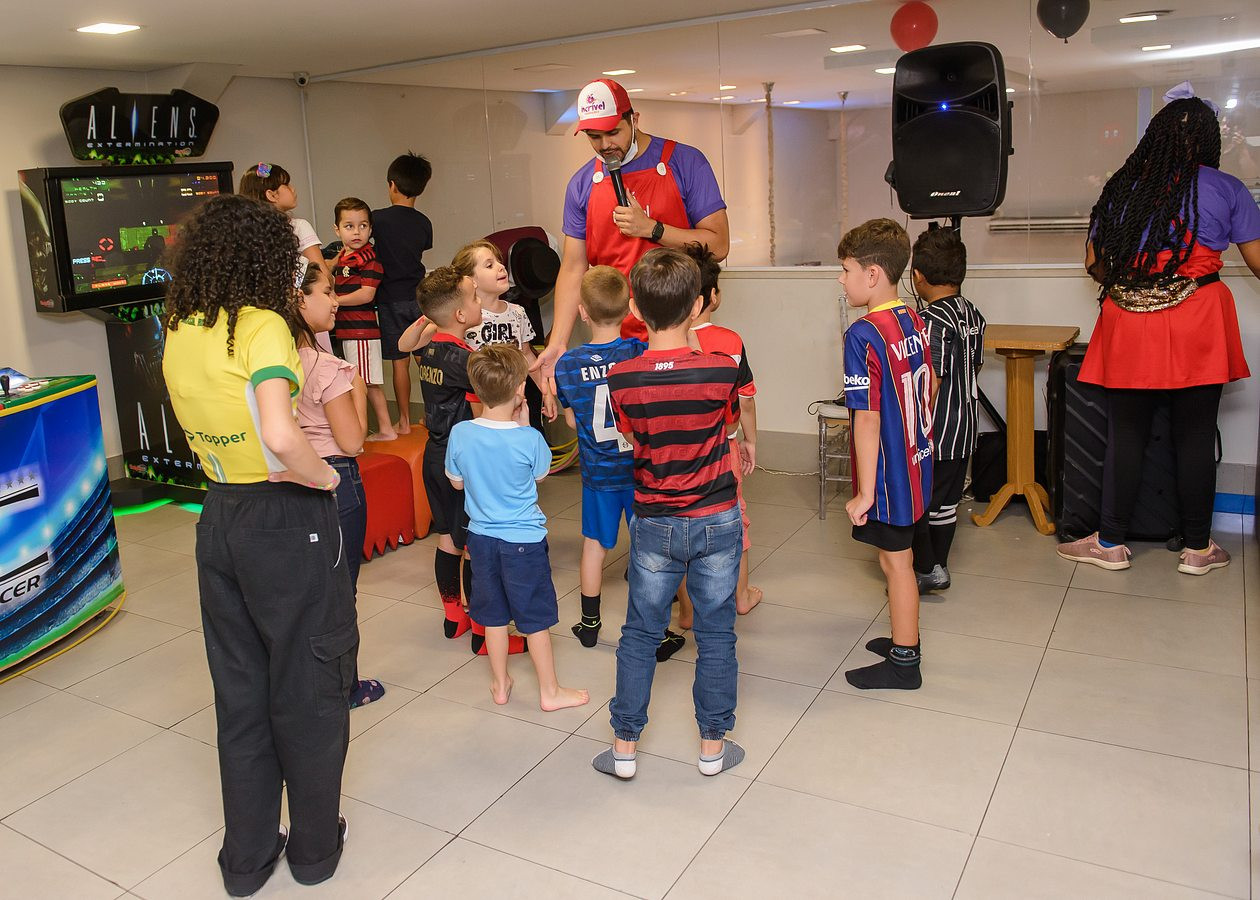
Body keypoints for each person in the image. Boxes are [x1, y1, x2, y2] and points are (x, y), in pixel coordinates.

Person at [162, 194, 351, 895]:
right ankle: (313, 851)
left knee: (240, 691)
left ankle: (245, 861)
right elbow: (279, 433)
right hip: (285, 515)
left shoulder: (182, 323)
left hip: (220, 514)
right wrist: (324, 477)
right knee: (308, 682)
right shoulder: (264, 326)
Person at [1058, 84, 1260, 575]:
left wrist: (1142, 272)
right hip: (1199, 317)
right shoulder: (1227, 187)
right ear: (1209, 139)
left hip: (1130, 321)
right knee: (1194, 436)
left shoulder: (1124, 187)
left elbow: (1095, 265)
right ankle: (1198, 549)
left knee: (1126, 434)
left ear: (1155, 136)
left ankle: (1110, 543)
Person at [592, 248, 746, 780]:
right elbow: (728, 428)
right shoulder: (722, 369)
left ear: (634, 307)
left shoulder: (621, 378)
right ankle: (712, 748)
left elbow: (632, 437)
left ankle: (623, 749)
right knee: (717, 633)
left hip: (655, 519)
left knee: (640, 632)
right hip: (717, 516)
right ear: (698, 305)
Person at [533, 78, 730, 386]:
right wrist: (558, 342)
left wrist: (653, 229)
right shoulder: (581, 184)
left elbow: (718, 244)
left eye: (613, 132)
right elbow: (573, 267)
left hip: (680, 333)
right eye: (594, 136)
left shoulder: (686, 162)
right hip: (614, 340)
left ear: (634, 119)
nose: (605, 145)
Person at [446, 345, 591, 711]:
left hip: (480, 540)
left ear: (476, 389)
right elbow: (540, 475)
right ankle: (549, 691)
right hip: (523, 543)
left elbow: (457, 483)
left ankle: (500, 684)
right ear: (519, 391)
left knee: (493, 616)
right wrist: (525, 426)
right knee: (534, 619)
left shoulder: (460, 433)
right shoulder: (529, 439)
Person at [398, 268, 526, 655]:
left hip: (434, 456)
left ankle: (454, 617)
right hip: (463, 464)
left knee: (447, 538)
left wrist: (430, 313)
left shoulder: (428, 348)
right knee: (474, 545)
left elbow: (405, 343)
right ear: (458, 314)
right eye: (473, 298)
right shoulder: (465, 360)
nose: (478, 303)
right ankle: (484, 635)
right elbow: (489, 404)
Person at [837, 218, 932, 692]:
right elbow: (929, 387)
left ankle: (905, 662)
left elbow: (867, 418)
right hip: (917, 462)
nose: (841, 280)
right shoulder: (914, 318)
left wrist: (866, 492)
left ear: (872, 274)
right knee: (898, 560)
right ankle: (902, 635)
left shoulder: (863, 333)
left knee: (897, 564)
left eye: (846, 269)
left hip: (890, 476)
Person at [294, 265, 386, 709]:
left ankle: (304, 682)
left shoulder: (273, 362)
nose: (335, 301)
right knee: (340, 588)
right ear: (299, 300)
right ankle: (344, 686)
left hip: (291, 477)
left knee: (304, 589)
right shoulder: (327, 367)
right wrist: (358, 391)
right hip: (334, 477)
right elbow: (352, 441)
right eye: (327, 292)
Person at [553, 266, 645, 648]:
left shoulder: (567, 365)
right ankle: (652, 629)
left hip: (598, 475)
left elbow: (571, 421)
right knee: (648, 548)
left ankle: (589, 625)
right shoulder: (638, 353)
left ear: (583, 312)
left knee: (594, 546)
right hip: (640, 472)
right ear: (629, 310)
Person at [683, 242, 762, 617]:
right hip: (722, 448)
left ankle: (686, 611)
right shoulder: (731, 341)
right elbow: (745, 400)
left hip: (677, 451)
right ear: (712, 296)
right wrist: (751, 441)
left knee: (682, 520)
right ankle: (740, 595)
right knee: (734, 518)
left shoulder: (663, 341)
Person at [909, 227, 986, 593]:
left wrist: (912, 426)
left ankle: (926, 568)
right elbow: (975, 366)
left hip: (937, 432)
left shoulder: (931, 320)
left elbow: (932, 380)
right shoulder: (972, 313)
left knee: (921, 504)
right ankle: (939, 565)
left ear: (917, 276)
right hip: (965, 427)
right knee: (947, 504)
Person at [451, 240, 555, 427]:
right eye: (489, 265)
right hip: (478, 408)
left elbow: (527, 355)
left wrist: (546, 392)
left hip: (514, 404)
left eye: (499, 262)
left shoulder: (517, 312)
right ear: (471, 281)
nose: (501, 267)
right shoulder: (464, 318)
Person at [372, 152, 434, 436]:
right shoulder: (424, 222)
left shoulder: (377, 219)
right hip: (420, 297)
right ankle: (432, 416)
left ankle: (404, 421)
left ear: (392, 185)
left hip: (389, 299)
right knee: (426, 361)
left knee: (400, 362)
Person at [329, 197, 392, 440]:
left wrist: (335, 300)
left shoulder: (369, 259)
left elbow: (367, 294)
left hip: (361, 331)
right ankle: (376, 429)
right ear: (337, 230)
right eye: (349, 226)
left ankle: (379, 430)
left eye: (363, 226)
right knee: (363, 381)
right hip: (349, 330)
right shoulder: (345, 256)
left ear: (370, 229)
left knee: (365, 383)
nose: (356, 232)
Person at [238, 162, 331, 282]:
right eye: (286, 184)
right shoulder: (298, 227)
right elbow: (323, 276)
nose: (293, 188)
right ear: (272, 195)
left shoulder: (243, 234)